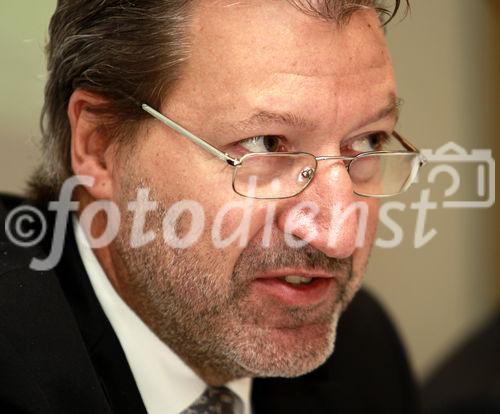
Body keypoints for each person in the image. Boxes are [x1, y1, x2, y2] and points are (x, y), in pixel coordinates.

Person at [0, 0, 423, 412]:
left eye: (369, 141)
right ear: (99, 147)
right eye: (266, 145)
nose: (338, 237)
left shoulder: (361, 353)